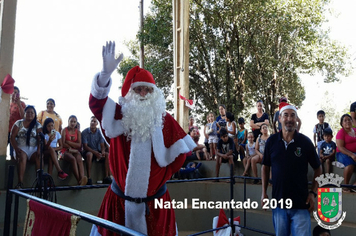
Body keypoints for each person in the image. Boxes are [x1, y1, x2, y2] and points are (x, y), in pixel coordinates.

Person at [89, 41, 196, 236]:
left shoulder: (165, 120)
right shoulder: (117, 117)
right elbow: (97, 103)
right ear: (129, 92)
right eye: (138, 89)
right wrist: (104, 76)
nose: (143, 94)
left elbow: (182, 154)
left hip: (155, 206)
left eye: (148, 90)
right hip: (118, 205)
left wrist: (161, 178)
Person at [261, 102, 322, 236]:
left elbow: (318, 168)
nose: (289, 119)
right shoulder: (271, 141)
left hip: (301, 205)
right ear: (280, 118)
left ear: (296, 119)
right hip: (279, 204)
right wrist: (263, 193)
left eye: (293, 115)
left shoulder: (305, 142)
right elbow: (265, 167)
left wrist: (313, 193)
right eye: (286, 115)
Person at [10, 105, 42, 189]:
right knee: (22, 156)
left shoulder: (37, 125)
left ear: (35, 114)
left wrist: (39, 149)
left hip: (33, 149)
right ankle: (20, 183)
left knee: (39, 157)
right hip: (20, 147)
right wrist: (16, 149)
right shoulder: (19, 123)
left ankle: (39, 182)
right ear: (24, 113)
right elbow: (12, 137)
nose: (30, 114)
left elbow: (39, 139)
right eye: (28, 112)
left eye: (32, 112)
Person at [82, 116, 112, 185]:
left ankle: (106, 177)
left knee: (107, 154)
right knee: (90, 154)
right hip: (88, 151)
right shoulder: (85, 132)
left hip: (97, 152)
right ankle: (89, 178)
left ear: (97, 123)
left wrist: (103, 152)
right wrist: (95, 153)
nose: (92, 122)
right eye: (91, 121)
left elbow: (102, 145)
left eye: (94, 121)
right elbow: (85, 147)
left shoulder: (100, 132)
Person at [61, 115, 87, 186]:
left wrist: (69, 142)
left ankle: (82, 178)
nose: (72, 123)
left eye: (74, 122)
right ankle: (79, 180)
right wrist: (71, 147)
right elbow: (63, 143)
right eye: (71, 121)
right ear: (68, 122)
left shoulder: (78, 132)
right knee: (73, 159)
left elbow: (79, 145)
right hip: (65, 151)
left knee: (79, 159)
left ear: (76, 123)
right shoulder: (64, 130)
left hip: (74, 150)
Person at [335, 114, 356, 192]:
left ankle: (354, 185)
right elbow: (340, 147)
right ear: (342, 123)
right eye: (345, 120)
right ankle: (346, 186)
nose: (347, 121)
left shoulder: (355, 130)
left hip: (354, 153)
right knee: (350, 164)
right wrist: (352, 155)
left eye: (349, 119)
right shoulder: (341, 132)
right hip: (342, 153)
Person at [8, 86, 26, 160]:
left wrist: (19, 104)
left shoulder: (22, 104)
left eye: (16, 92)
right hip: (6, 131)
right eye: (13, 92)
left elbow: (23, 117)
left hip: (16, 132)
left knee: (13, 153)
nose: (14, 94)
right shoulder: (7, 103)